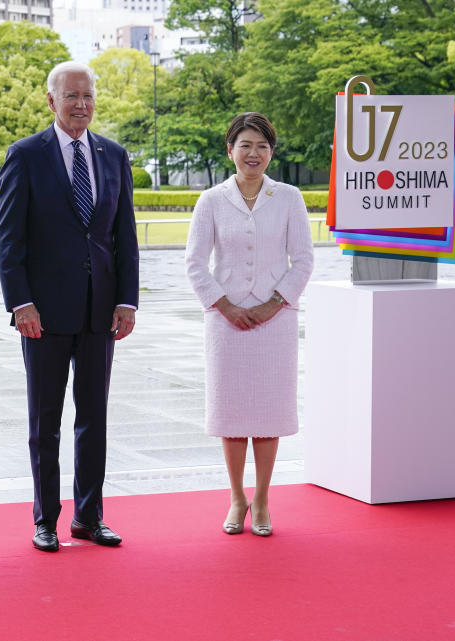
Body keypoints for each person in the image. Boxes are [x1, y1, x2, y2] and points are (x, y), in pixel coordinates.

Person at [0, 61, 139, 552]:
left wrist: (126, 301)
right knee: (46, 421)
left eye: (89, 96)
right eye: (72, 96)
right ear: (51, 100)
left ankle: (89, 517)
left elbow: (125, 238)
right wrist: (21, 303)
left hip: (101, 311)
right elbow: (8, 240)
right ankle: (45, 519)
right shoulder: (25, 155)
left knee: (93, 418)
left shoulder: (114, 155)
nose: (81, 104)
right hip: (43, 315)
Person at [184, 112, 314, 537]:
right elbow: (195, 263)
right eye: (245, 145)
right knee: (233, 413)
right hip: (227, 323)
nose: (253, 153)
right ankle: (237, 496)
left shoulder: (290, 197)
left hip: (275, 323)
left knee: (268, 413)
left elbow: (304, 261)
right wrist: (225, 305)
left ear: (271, 152)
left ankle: (262, 500)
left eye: (261, 146)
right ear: (230, 151)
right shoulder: (211, 200)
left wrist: (274, 304)